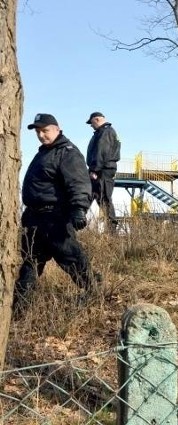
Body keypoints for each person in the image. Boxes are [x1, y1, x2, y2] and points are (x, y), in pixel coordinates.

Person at [15, 113, 101, 312]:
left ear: (57, 128)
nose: (41, 135)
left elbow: (78, 182)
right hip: (34, 217)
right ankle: (20, 307)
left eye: (45, 130)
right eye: (38, 132)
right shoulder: (44, 152)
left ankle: (93, 290)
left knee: (69, 256)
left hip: (55, 217)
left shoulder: (67, 152)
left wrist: (79, 209)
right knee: (30, 261)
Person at [86, 111, 121, 234]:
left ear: (96, 120)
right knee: (90, 196)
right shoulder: (103, 132)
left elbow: (102, 151)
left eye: (91, 123)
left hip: (102, 170)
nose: (91, 125)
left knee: (105, 198)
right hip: (101, 168)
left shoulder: (106, 132)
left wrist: (95, 169)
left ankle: (112, 231)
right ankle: (73, 224)